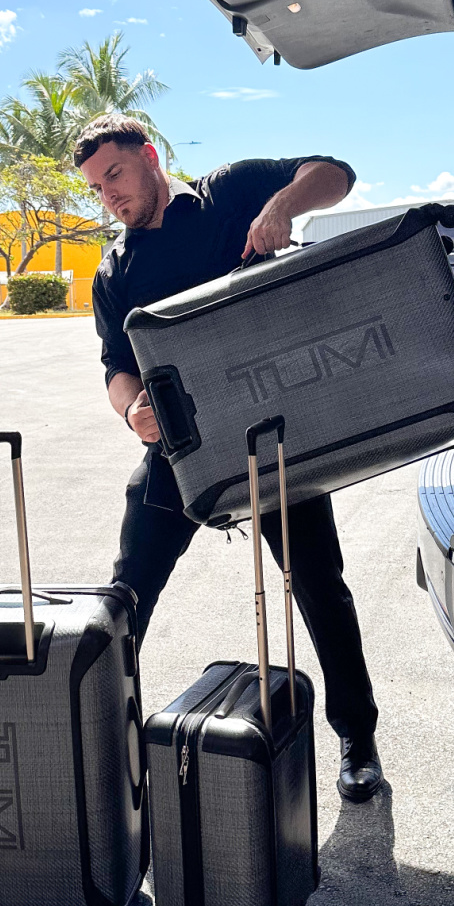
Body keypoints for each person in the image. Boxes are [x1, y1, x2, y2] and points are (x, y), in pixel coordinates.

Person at [79, 113, 383, 803]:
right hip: (181, 448)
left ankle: (357, 735)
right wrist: (133, 411)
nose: (110, 196)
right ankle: (106, 744)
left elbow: (333, 173)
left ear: (149, 156)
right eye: (98, 188)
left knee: (318, 582)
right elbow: (115, 370)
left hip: (268, 436)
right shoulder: (115, 270)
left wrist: (281, 207)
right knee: (129, 591)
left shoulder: (229, 194)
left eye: (117, 174)